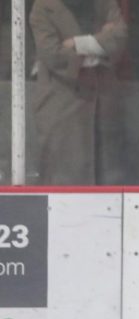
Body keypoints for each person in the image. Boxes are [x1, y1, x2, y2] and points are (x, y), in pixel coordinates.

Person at [30, 0, 128, 185]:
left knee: (106, 178)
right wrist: (100, 46)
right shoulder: (43, 6)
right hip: (62, 106)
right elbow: (53, 55)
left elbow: (120, 37)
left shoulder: (105, 3)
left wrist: (79, 43)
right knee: (63, 177)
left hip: (103, 106)